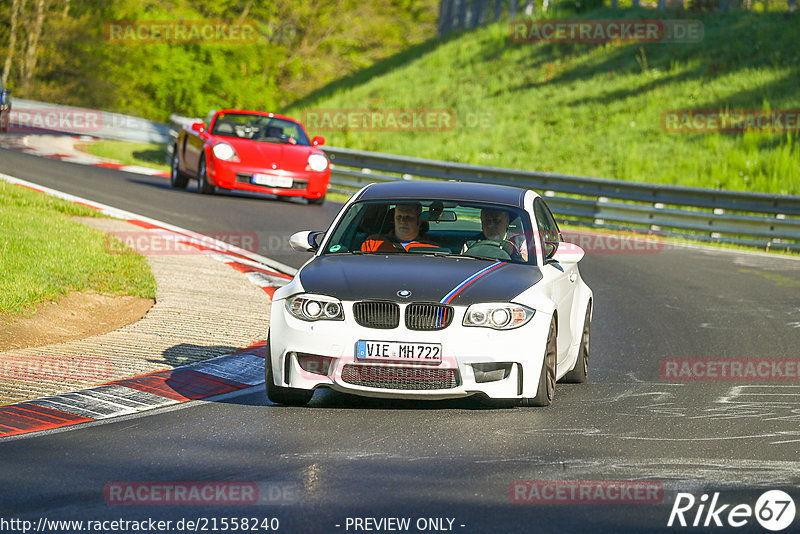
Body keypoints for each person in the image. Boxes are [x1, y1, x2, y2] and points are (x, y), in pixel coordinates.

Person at [361, 202, 439, 252]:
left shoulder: (433, 250)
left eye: (408, 217)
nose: (402, 221)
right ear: (393, 219)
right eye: (399, 217)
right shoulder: (373, 242)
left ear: (419, 221)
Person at [462, 208, 528, 261]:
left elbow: (528, 265)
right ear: (482, 223)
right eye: (487, 221)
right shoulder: (470, 244)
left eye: (496, 221)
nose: (491, 225)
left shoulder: (521, 242)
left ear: (507, 221)